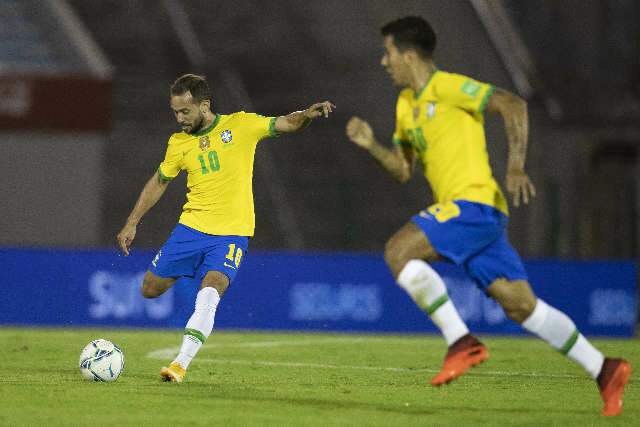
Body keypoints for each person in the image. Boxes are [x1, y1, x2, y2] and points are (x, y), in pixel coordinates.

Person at [345, 16, 630, 416]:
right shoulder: (405, 105)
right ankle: (604, 368)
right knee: (521, 306)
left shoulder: (447, 86)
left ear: (409, 55)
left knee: (398, 251)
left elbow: (512, 104)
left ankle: (461, 340)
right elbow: (403, 169)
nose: (384, 61)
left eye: (388, 53)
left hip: (474, 204)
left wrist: (515, 166)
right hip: (473, 218)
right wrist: (372, 145)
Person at [117, 73, 335, 383]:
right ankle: (189, 266)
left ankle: (180, 363)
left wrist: (307, 115)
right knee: (149, 289)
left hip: (232, 231)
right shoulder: (178, 143)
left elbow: (285, 123)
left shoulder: (241, 125)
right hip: (191, 228)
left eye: (185, 112)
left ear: (204, 106)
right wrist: (132, 222)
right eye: (175, 112)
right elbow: (160, 181)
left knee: (212, 287)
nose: (179, 118)